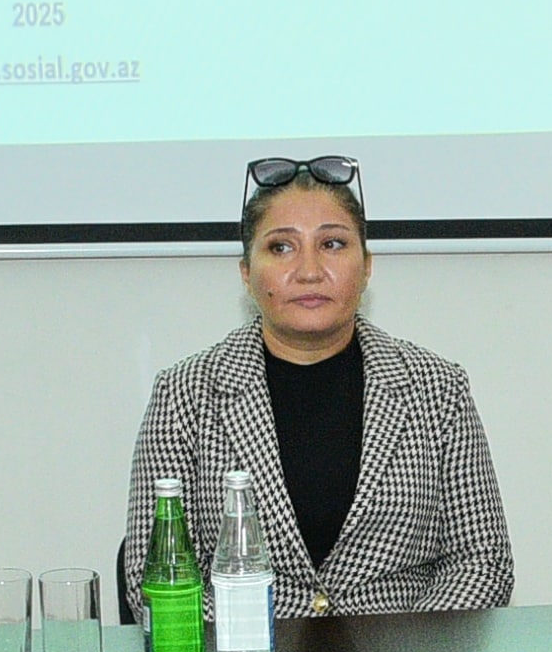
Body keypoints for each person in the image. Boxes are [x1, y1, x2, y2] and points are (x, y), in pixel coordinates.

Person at [120, 156, 512, 615]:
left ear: (366, 266)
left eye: (332, 244)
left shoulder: (438, 390)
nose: (309, 270)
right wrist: (253, 647)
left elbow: (483, 562)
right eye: (281, 247)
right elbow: (154, 581)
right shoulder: (185, 395)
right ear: (246, 273)